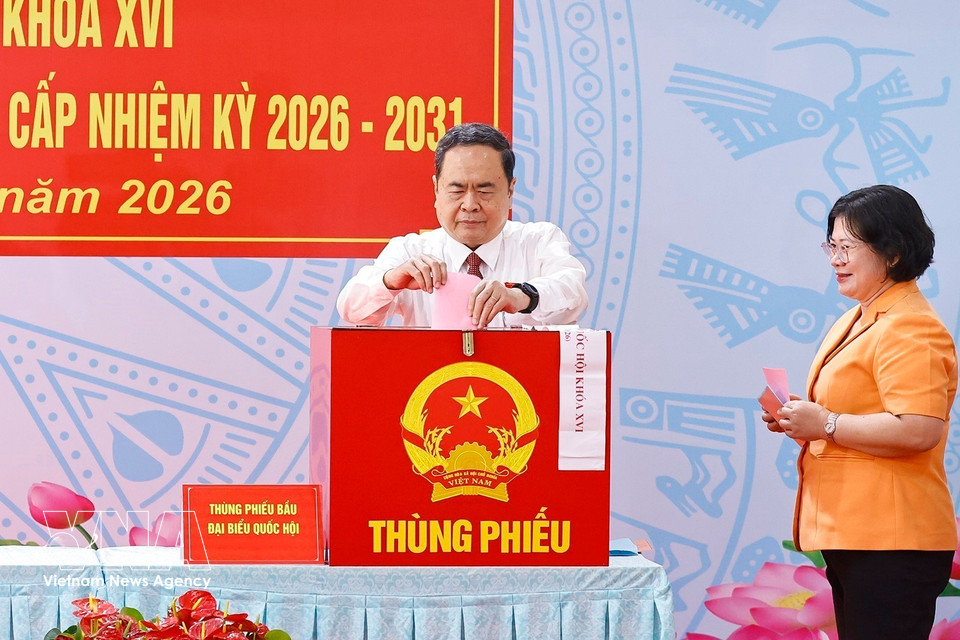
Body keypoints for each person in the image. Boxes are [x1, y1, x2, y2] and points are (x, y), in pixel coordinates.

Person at [762, 185, 958, 640]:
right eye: (831, 245)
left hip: (893, 543)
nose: (835, 258)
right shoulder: (861, 316)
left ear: (891, 252)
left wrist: (826, 424)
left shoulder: (910, 326)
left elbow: (918, 428)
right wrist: (800, 421)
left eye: (847, 246)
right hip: (858, 538)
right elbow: (858, 418)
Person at [336, 122, 588, 328]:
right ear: (436, 189)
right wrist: (391, 281)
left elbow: (573, 292)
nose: (470, 204)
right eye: (456, 190)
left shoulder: (539, 241)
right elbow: (351, 310)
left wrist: (520, 295)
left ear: (510, 191)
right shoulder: (410, 252)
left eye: (484, 190)